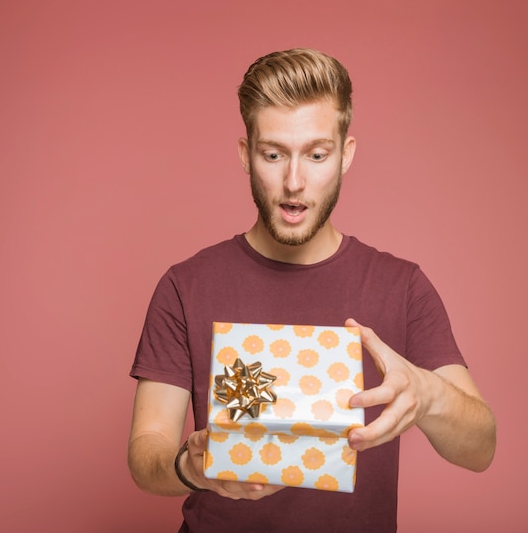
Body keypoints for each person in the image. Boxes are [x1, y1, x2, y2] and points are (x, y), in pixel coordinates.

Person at [128, 48, 496, 532]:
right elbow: (146, 448)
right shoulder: (186, 285)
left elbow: (481, 448)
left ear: (346, 155)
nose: (294, 183)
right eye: (274, 154)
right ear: (246, 155)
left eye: (317, 155)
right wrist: (189, 468)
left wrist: (429, 396)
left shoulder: (402, 286)